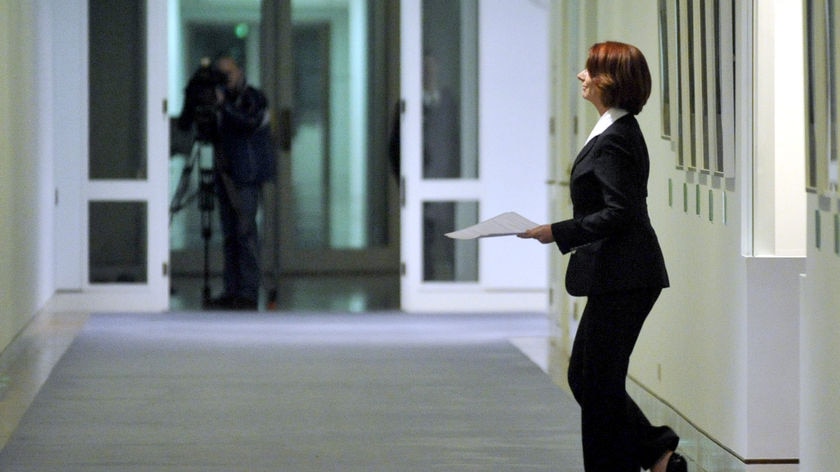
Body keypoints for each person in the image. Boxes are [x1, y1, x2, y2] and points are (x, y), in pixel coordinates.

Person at [518, 41, 686, 472]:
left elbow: (619, 212)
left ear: (608, 81)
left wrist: (557, 232)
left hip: (626, 275)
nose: (581, 76)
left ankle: (639, 458)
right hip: (619, 275)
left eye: (589, 70)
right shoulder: (615, 131)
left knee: (597, 381)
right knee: (588, 377)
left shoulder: (614, 139)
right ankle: (658, 454)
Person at [206, 56, 275, 310]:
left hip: (246, 175)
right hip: (225, 173)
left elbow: (248, 122)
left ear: (241, 72)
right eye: (220, 74)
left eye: (230, 73)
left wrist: (223, 107)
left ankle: (247, 293)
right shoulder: (218, 100)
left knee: (245, 233)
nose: (227, 79)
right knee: (229, 235)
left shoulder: (254, 97)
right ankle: (231, 291)